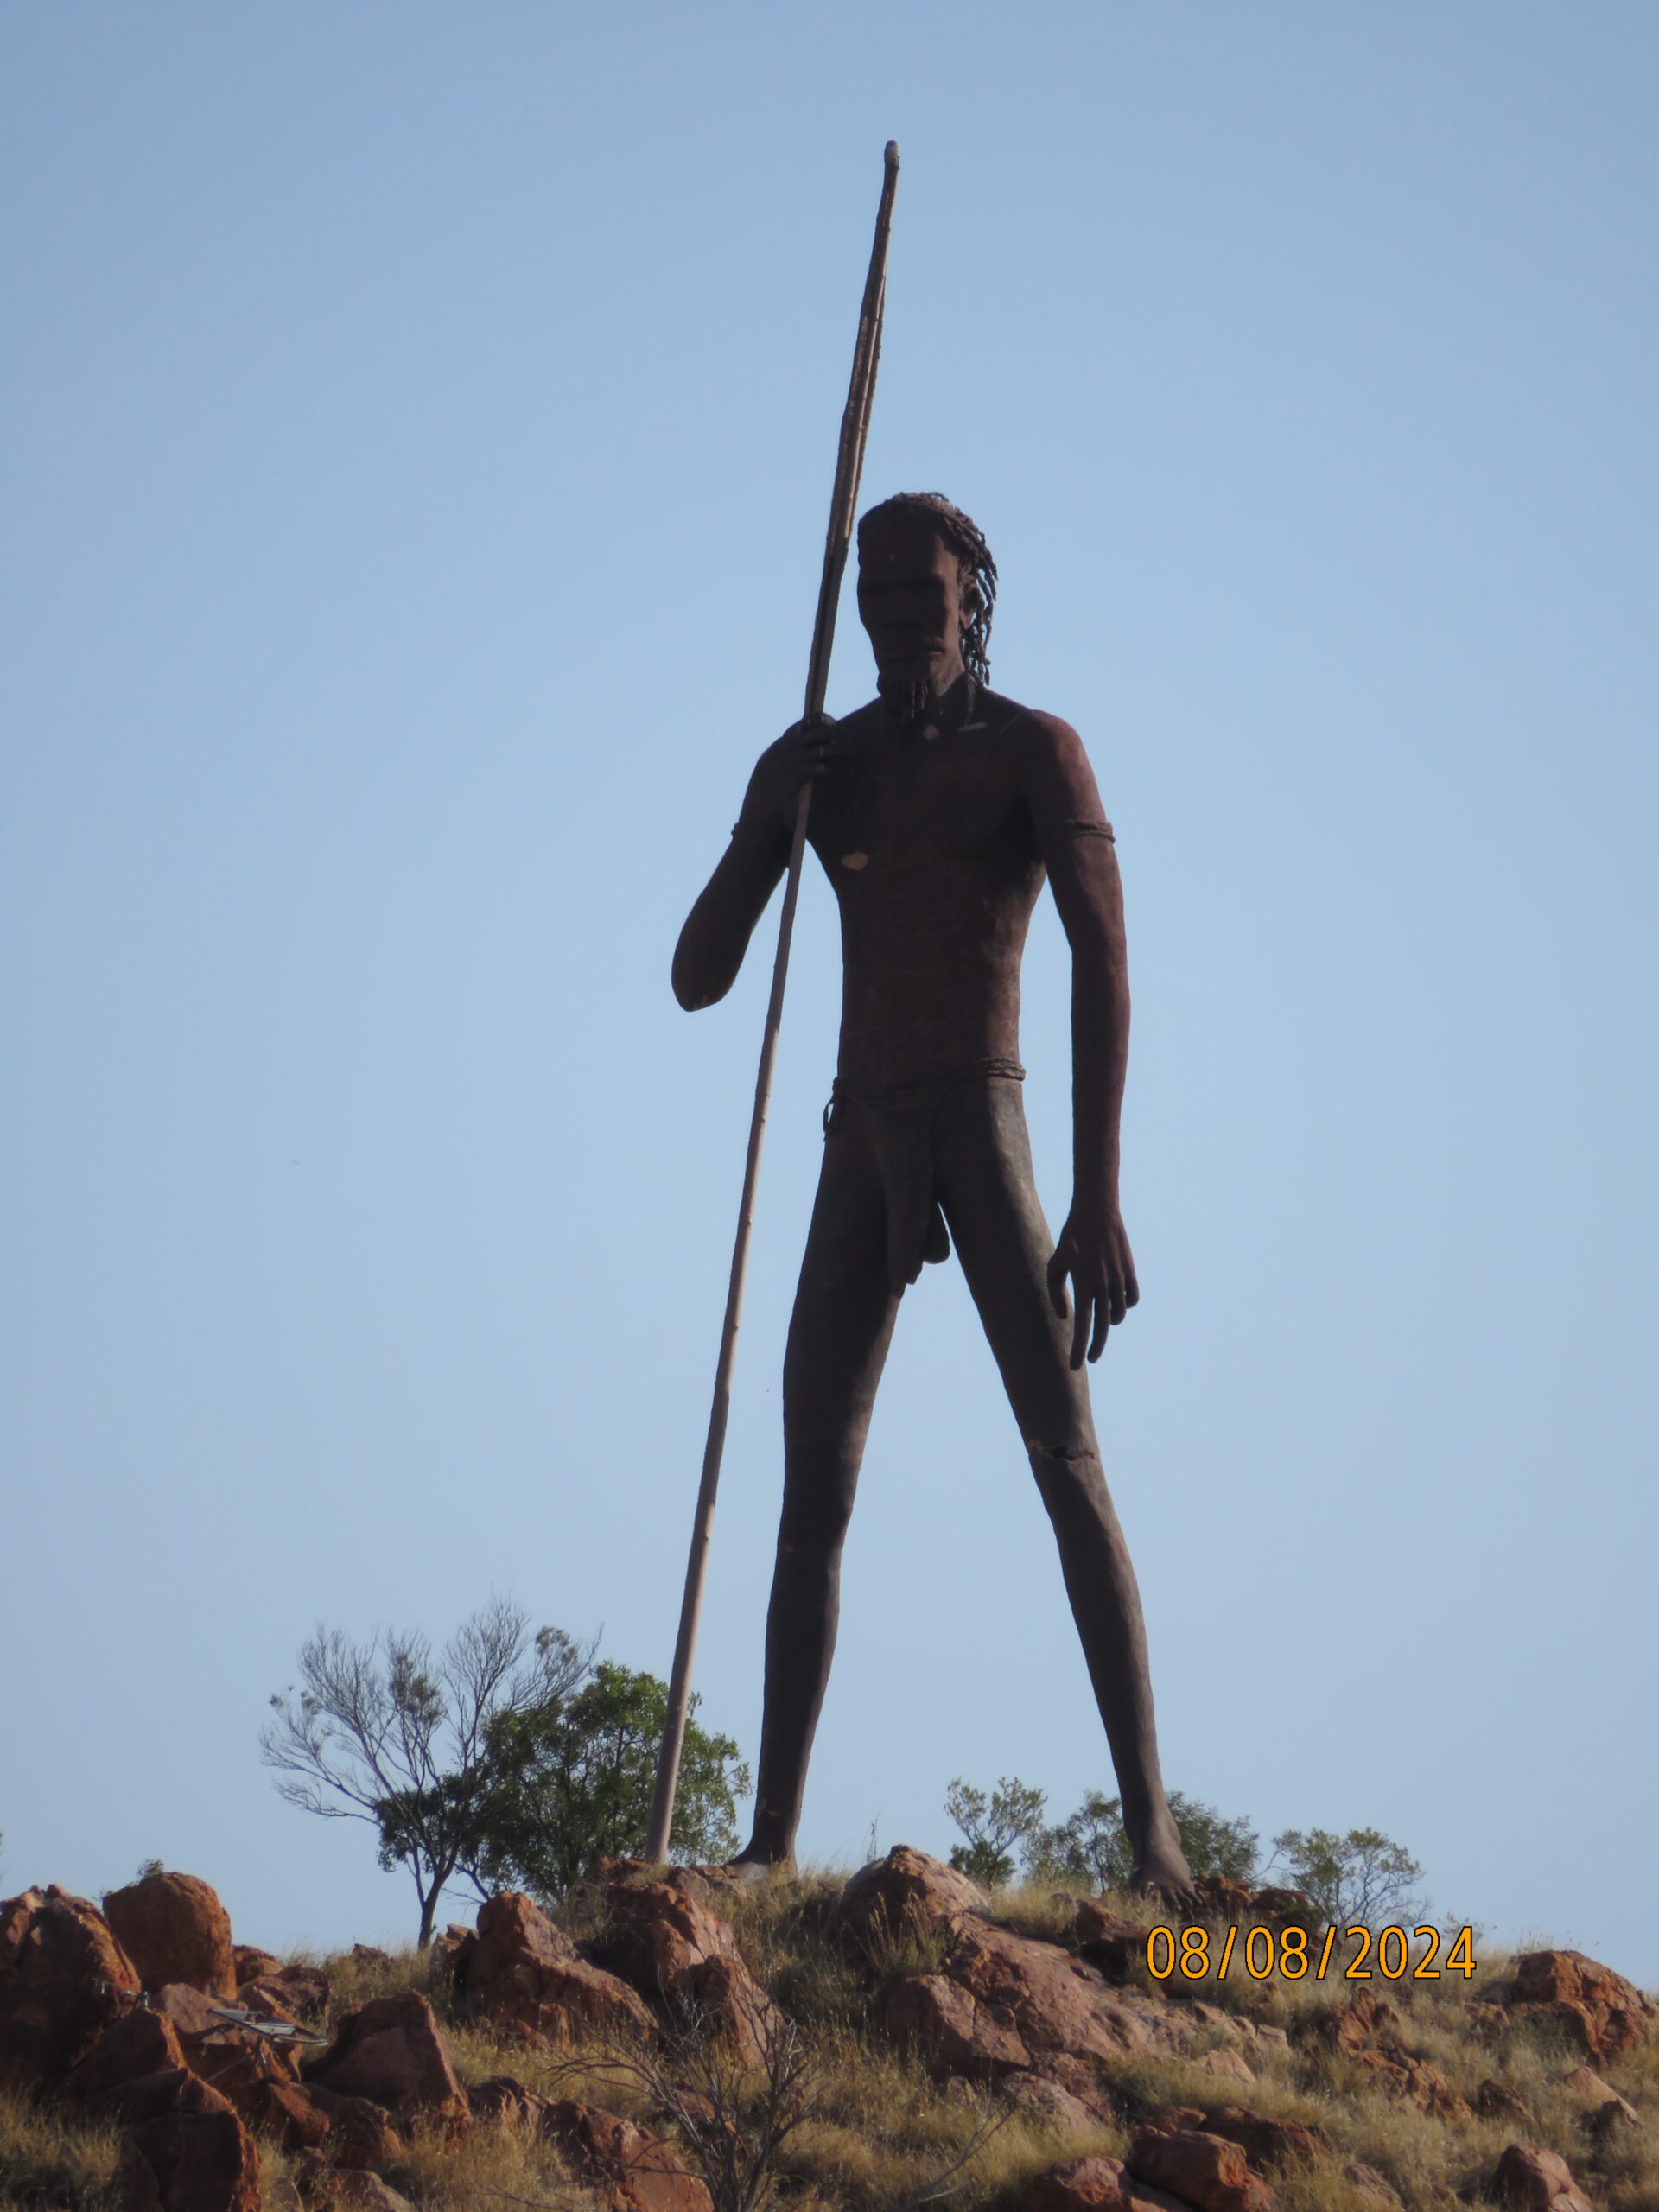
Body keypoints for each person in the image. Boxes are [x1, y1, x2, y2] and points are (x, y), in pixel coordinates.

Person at [672, 493, 1194, 1900]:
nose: (908, 620)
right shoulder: (827, 767)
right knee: (811, 1496)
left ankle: (1153, 1837)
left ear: (978, 596)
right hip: (864, 1137)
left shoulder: (1035, 752)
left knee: (1068, 1463)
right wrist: (759, 821)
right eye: (883, 599)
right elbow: (697, 975)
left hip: (988, 1111)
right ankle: (772, 1841)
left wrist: (1098, 1193)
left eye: (931, 595)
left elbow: (1105, 962)